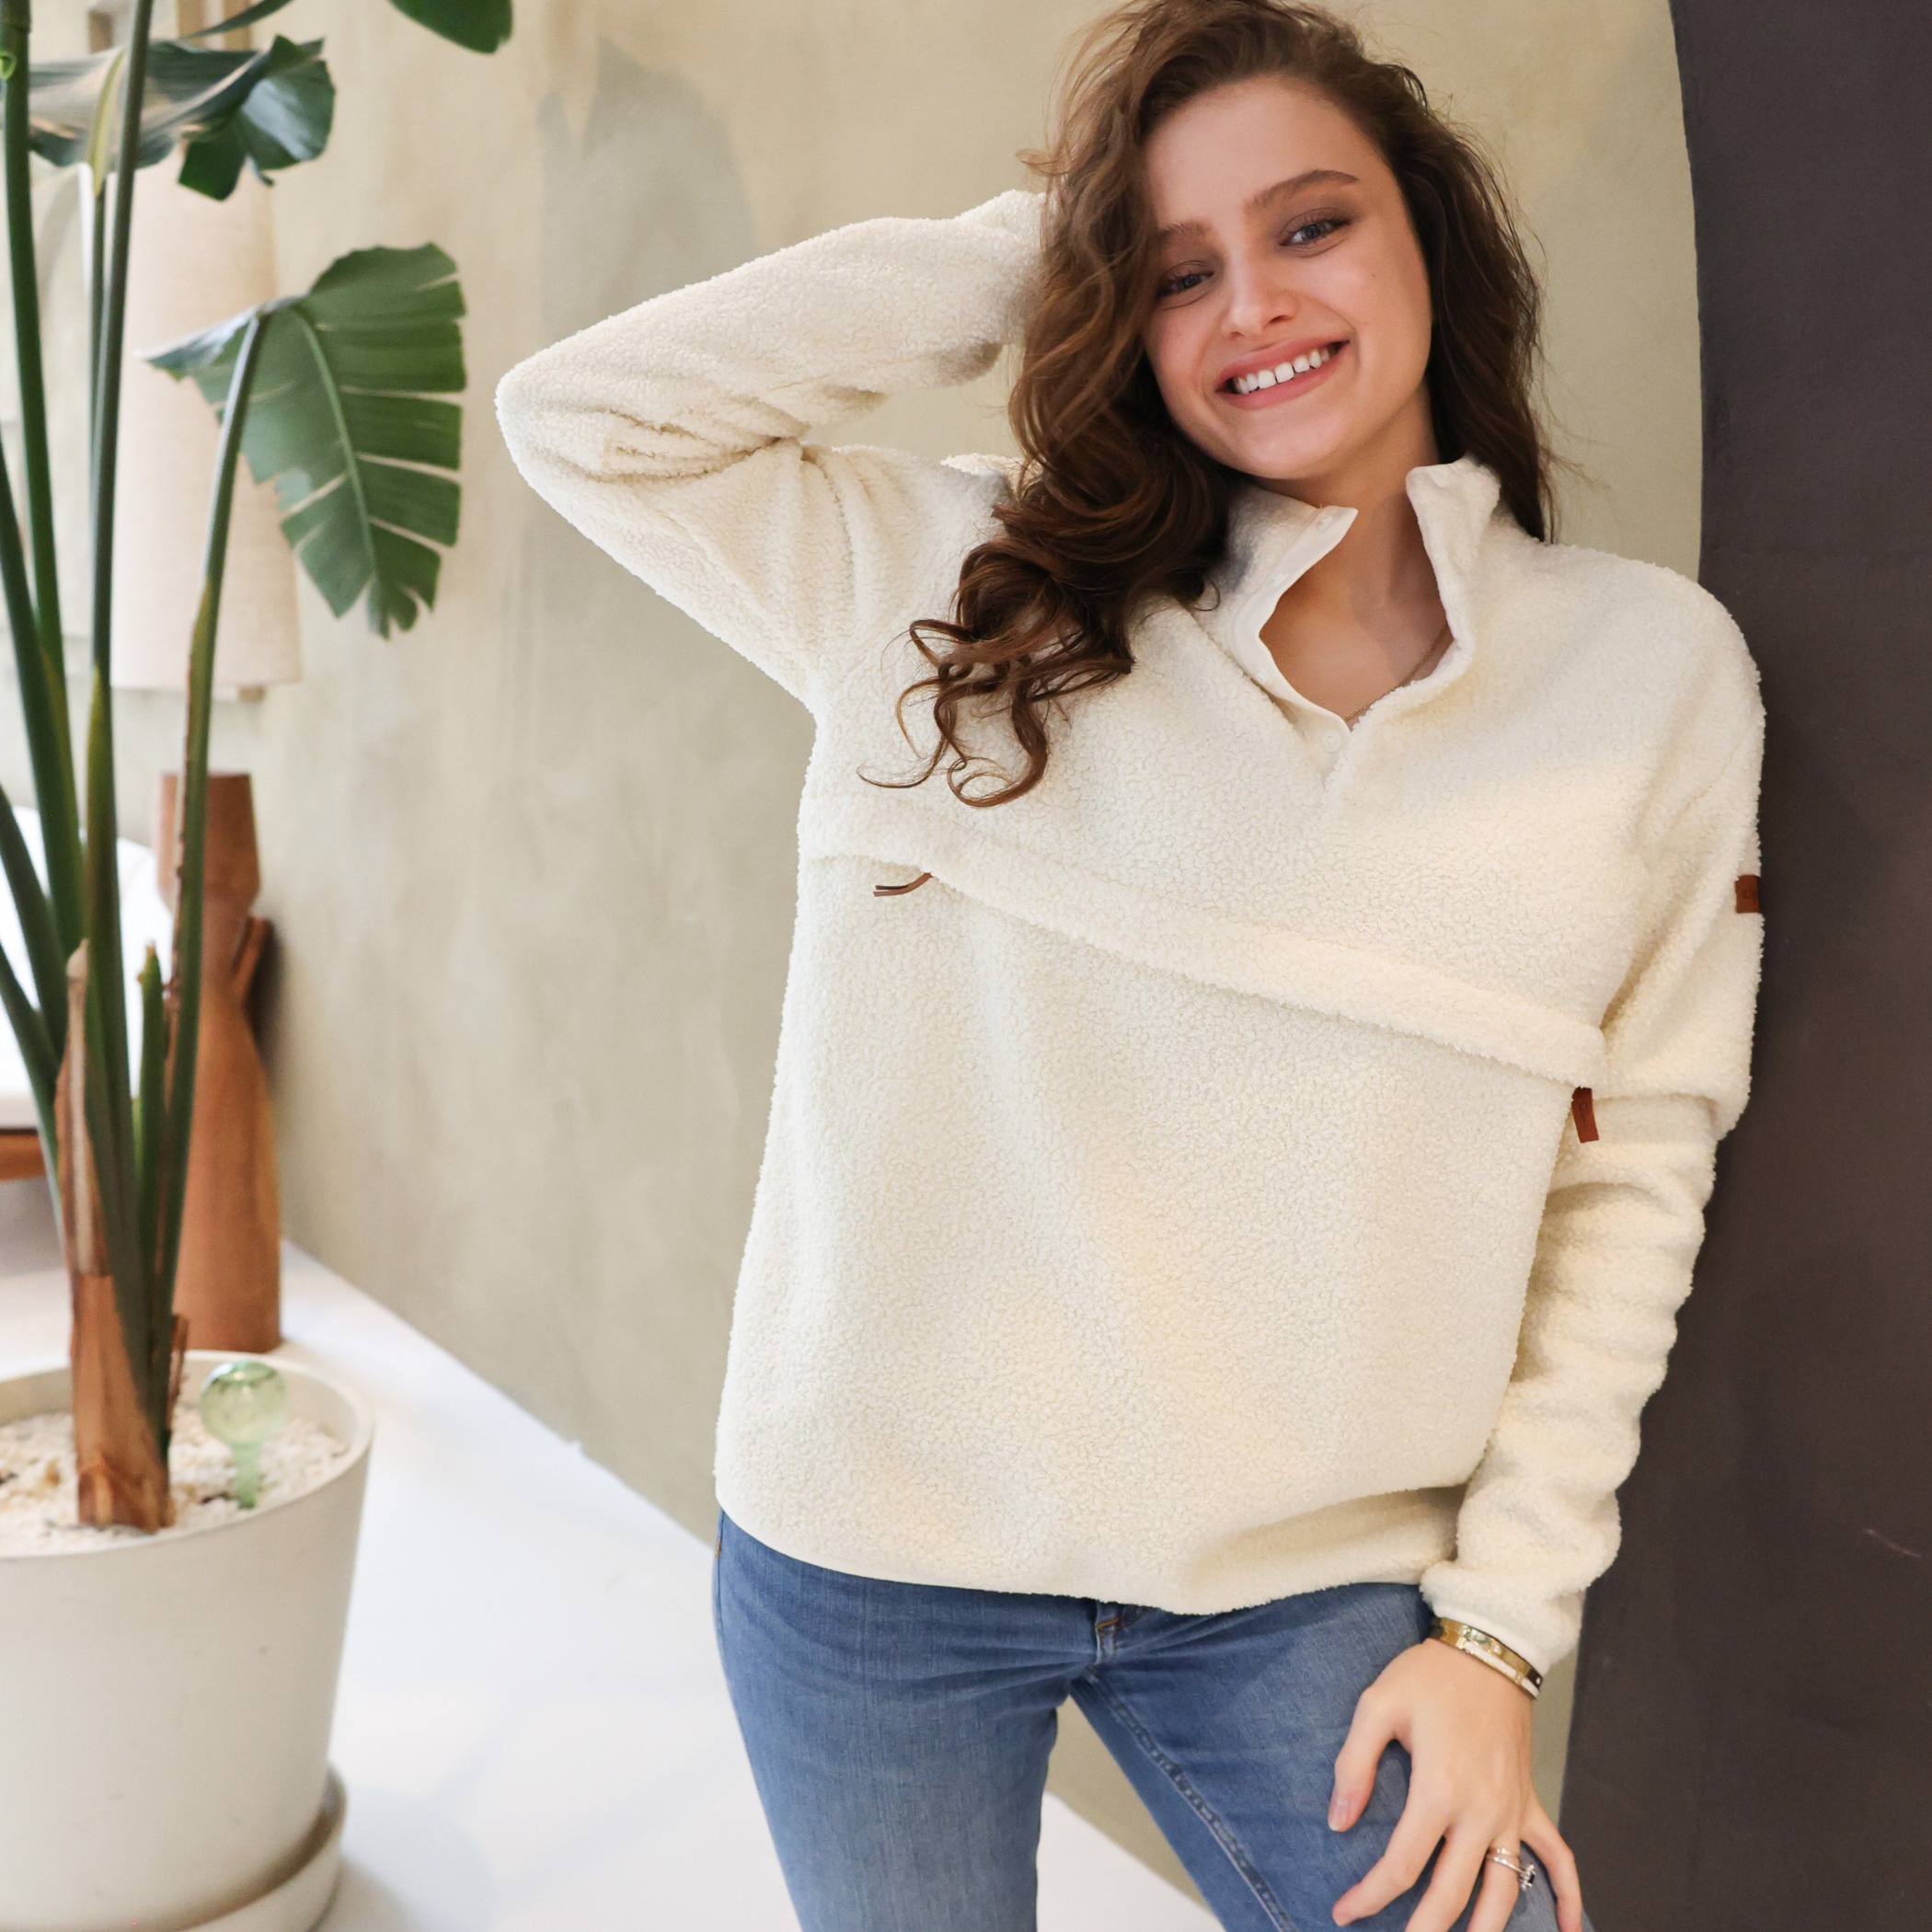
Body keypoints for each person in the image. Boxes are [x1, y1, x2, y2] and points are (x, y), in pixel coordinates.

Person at [495, 2, 1763, 1926]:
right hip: (877, 1554)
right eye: (1180, 272)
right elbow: (585, 420)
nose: (1256, 302)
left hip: (1301, 1576)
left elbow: (1635, 1176)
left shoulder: (1646, 679)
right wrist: (1045, 247)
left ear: (1429, 237)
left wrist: (1500, 1634)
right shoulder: (952, 594)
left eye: (1313, 225)